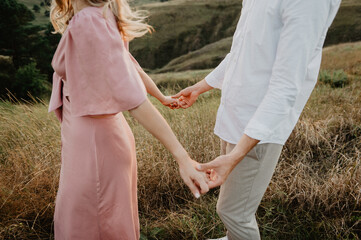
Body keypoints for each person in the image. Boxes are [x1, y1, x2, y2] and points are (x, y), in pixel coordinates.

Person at [172, 0, 341, 239]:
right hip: (235, 116)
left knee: (233, 213)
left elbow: (285, 88)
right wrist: (201, 86)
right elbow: (243, 50)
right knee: (231, 209)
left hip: (259, 129)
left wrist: (235, 156)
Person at [48, 0, 209, 239]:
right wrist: (162, 97)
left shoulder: (90, 20)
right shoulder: (102, 13)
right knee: (96, 219)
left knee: (93, 223)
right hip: (94, 139)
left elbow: (134, 100)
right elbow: (129, 66)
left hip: (94, 145)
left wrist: (182, 157)